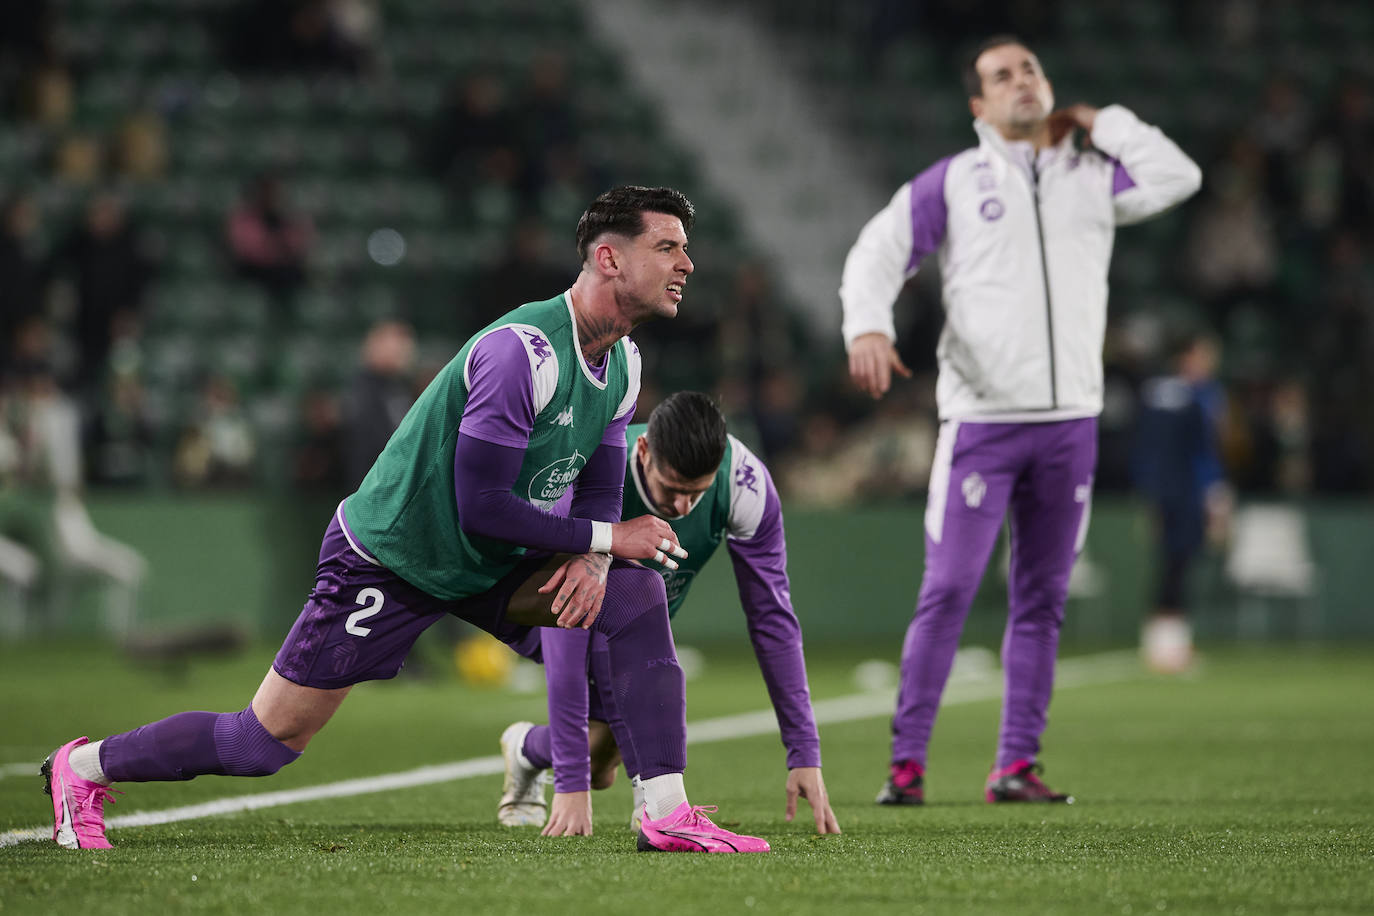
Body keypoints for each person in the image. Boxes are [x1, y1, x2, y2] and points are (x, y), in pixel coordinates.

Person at [42, 186, 770, 855]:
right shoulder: (524, 353)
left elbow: (600, 488)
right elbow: (479, 508)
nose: (688, 262)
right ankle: (81, 768)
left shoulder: (624, 363)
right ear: (610, 257)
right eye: (668, 247)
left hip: (488, 563)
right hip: (392, 557)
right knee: (261, 742)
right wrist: (611, 538)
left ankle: (665, 812)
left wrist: (599, 557)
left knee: (634, 595)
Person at [840, 35, 1201, 806]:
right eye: (1001, 77)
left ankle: (1017, 765)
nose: (1020, 82)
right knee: (950, 590)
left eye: (1030, 69)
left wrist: (1104, 122)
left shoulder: (1093, 171)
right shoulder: (956, 182)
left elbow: (1180, 176)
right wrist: (867, 325)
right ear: (979, 106)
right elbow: (879, 249)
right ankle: (906, 765)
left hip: (1072, 421)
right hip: (983, 425)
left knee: (1044, 599)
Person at [495, 392, 841, 837]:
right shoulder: (598, 471)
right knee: (594, 751)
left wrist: (804, 753)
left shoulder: (744, 483)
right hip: (547, 602)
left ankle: (524, 748)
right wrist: (570, 783)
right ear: (644, 452)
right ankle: (655, 802)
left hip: (632, 631)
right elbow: (568, 625)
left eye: (695, 493)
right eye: (672, 488)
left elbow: (772, 619)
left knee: (600, 759)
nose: (680, 507)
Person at [1131, 332, 1230, 674]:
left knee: (1173, 565)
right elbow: (1205, 450)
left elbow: (1144, 448)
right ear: (1188, 357)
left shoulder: (1155, 391)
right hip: (1185, 492)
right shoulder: (1199, 395)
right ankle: (1168, 646)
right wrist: (1215, 495)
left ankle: (1164, 643)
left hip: (1162, 491)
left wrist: (1148, 493)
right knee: (1178, 565)